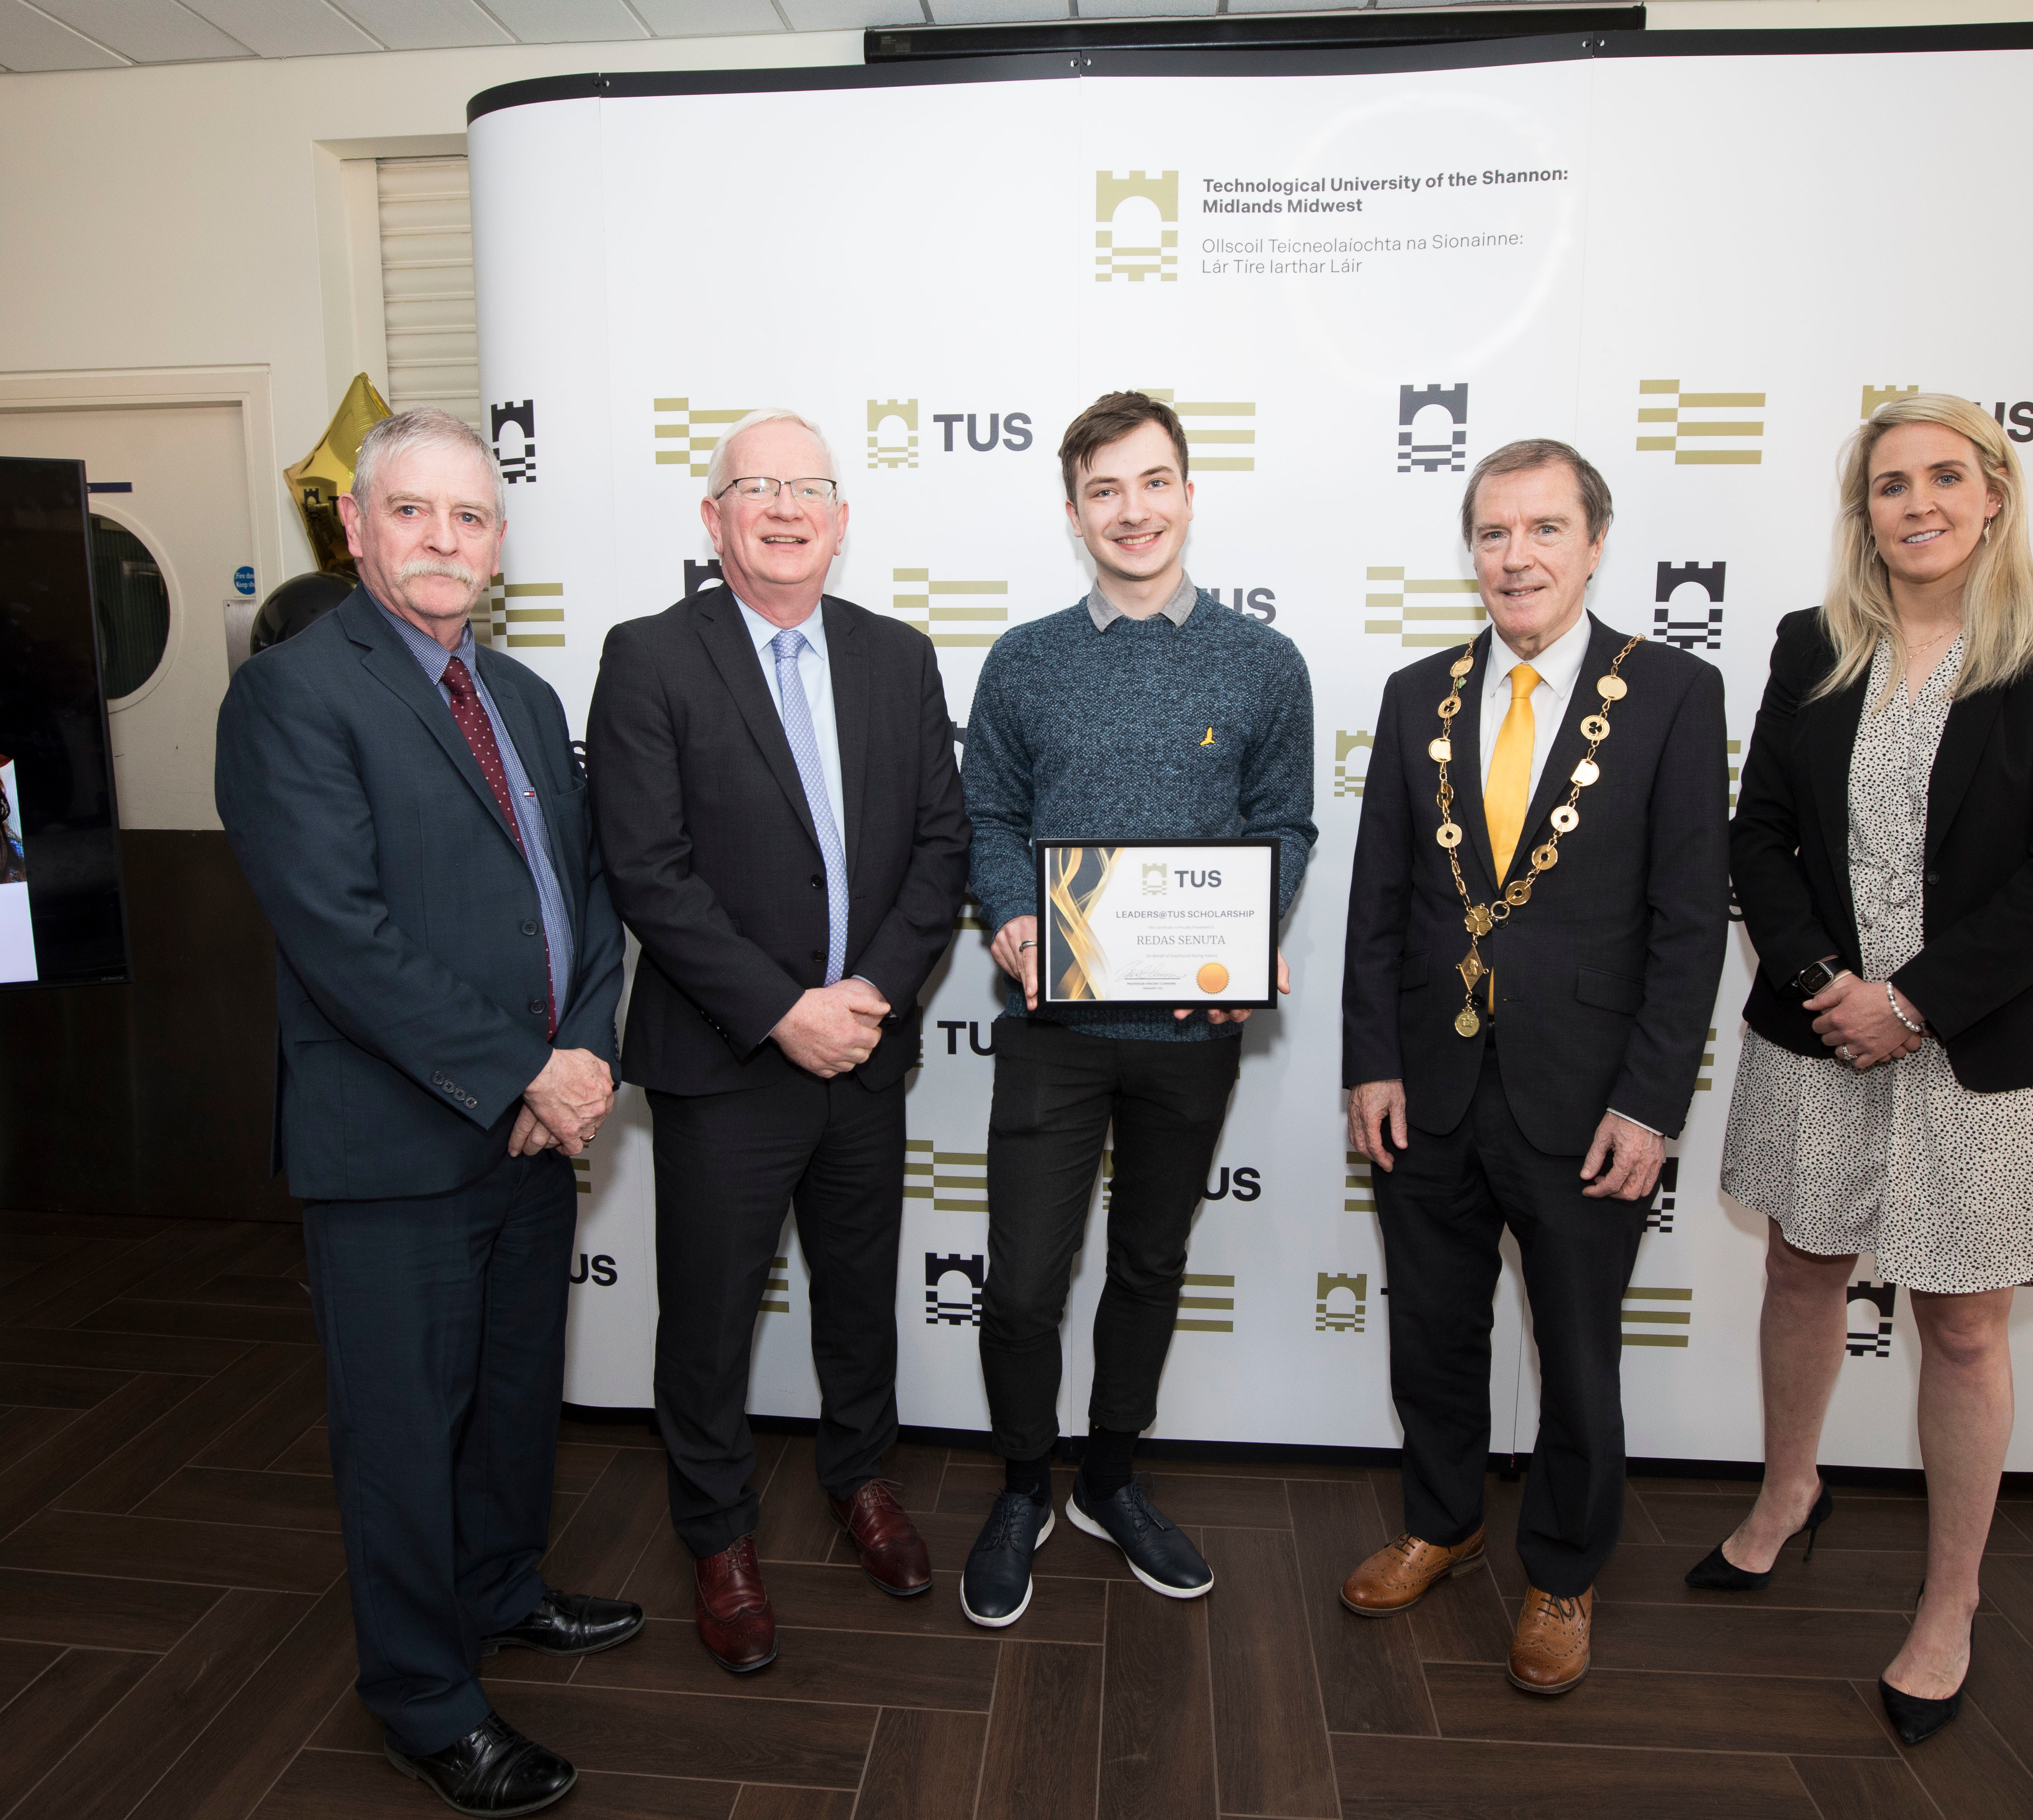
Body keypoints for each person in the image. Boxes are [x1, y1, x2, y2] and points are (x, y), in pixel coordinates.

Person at [215, 406, 640, 1818]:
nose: (444, 541)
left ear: (498, 540)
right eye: (414, 513)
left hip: (528, 1126)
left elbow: (582, 900)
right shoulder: (294, 691)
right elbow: (341, 935)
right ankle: (422, 1697)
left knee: (513, 1399)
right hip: (395, 1141)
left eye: (470, 518)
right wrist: (524, 1071)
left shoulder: (516, 694)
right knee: (402, 1432)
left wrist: (573, 1061)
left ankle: (500, 1589)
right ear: (358, 527)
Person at [1710, 393, 2033, 1745]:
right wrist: (1820, 988)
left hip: (1984, 1043)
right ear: (1864, 513)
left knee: (1961, 1325)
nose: (1917, 506)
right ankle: (1788, 1493)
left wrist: (1916, 1002)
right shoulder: (1812, 646)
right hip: (1819, 1026)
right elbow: (1759, 835)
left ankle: (1948, 1602)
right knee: (1798, 1266)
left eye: (1944, 478)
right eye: (1889, 486)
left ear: (1995, 494)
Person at [1340, 439, 1729, 1696]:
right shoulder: (1417, 694)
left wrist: (1651, 1101)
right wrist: (1370, 1061)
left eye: (1544, 530)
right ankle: (1443, 1521)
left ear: (1595, 543)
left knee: (1575, 1350)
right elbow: (1378, 901)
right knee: (1434, 1336)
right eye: (1494, 534)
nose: (1516, 557)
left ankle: (1561, 1573)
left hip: (1586, 1099)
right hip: (1431, 1089)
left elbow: (1689, 919)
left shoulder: (1670, 692)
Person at [586, 409, 970, 1672]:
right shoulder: (649, 657)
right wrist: (779, 1009)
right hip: (724, 1060)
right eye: (757, 488)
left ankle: (862, 1482)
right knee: (708, 1319)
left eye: (809, 487)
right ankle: (717, 1535)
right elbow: (648, 869)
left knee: (860, 1296)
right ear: (715, 520)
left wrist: (867, 995)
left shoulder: (897, 656)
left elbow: (940, 849)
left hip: (863, 1050)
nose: (785, 507)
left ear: (842, 518)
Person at [955, 391, 1315, 1628]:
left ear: (1188, 493)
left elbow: (1282, 825)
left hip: (1187, 1037)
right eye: (1104, 490)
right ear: (1072, 513)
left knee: (1151, 1267)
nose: (1132, 510)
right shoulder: (1024, 661)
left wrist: (1248, 942)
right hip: (1053, 1032)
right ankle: (1022, 1488)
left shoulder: (1264, 664)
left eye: (1152, 482)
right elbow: (990, 817)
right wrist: (1010, 913)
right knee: (1020, 1286)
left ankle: (1109, 1478)